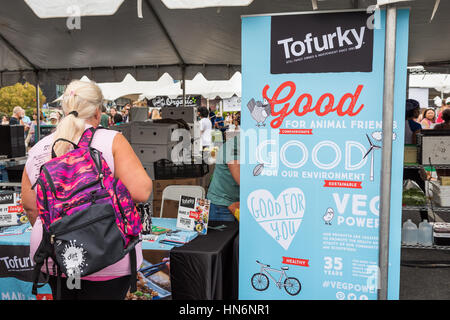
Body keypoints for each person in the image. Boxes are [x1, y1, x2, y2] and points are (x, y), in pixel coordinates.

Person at [21, 80, 152, 300]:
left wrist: (61, 234)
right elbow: (141, 191)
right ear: (98, 110)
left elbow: (30, 205)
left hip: (57, 258)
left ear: (64, 108)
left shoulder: (39, 148)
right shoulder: (112, 141)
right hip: (107, 253)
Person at [206, 136, 240, 221]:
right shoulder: (232, 146)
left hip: (237, 203)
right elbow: (240, 177)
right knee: (228, 233)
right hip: (222, 206)